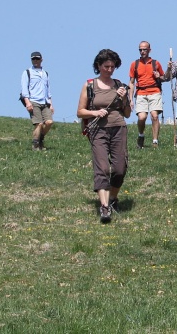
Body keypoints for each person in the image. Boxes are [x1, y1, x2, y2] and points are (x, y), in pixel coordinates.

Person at [77, 49, 132, 224]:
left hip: (118, 128)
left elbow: (128, 113)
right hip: (98, 130)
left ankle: (113, 198)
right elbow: (80, 112)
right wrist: (95, 112)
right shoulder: (89, 86)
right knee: (102, 168)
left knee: (119, 168)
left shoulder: (119, 85)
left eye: (112, 66)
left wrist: (125, 99)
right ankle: (104, 206)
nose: (109, 69)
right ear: (98, 66)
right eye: (106, 66)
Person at [128, 41, 167, 149]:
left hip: (154, 91)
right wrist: (130, 99)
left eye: (144, 49)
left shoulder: (156, 63)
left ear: (149, 50)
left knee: (154, 116)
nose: (142, 51)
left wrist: (159, 76)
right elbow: (131, 82)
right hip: (140, 93)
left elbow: (164, 78)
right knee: (142, 117)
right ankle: (141, 135)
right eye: (140, 49)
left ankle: (155, 141)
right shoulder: (134, 64)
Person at [20, 51, 54, 151]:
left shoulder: (45, 73)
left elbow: (48, 89)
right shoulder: (27, 73)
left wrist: (51, 104)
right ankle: (35, 145)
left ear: (41, 60)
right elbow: (24, 89)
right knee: (38, 123)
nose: (35, 60)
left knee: (49, 122)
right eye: (33, 59)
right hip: (33, 101)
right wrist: (27, 102)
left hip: (45, 102)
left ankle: (40, 138)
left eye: (37, 59)